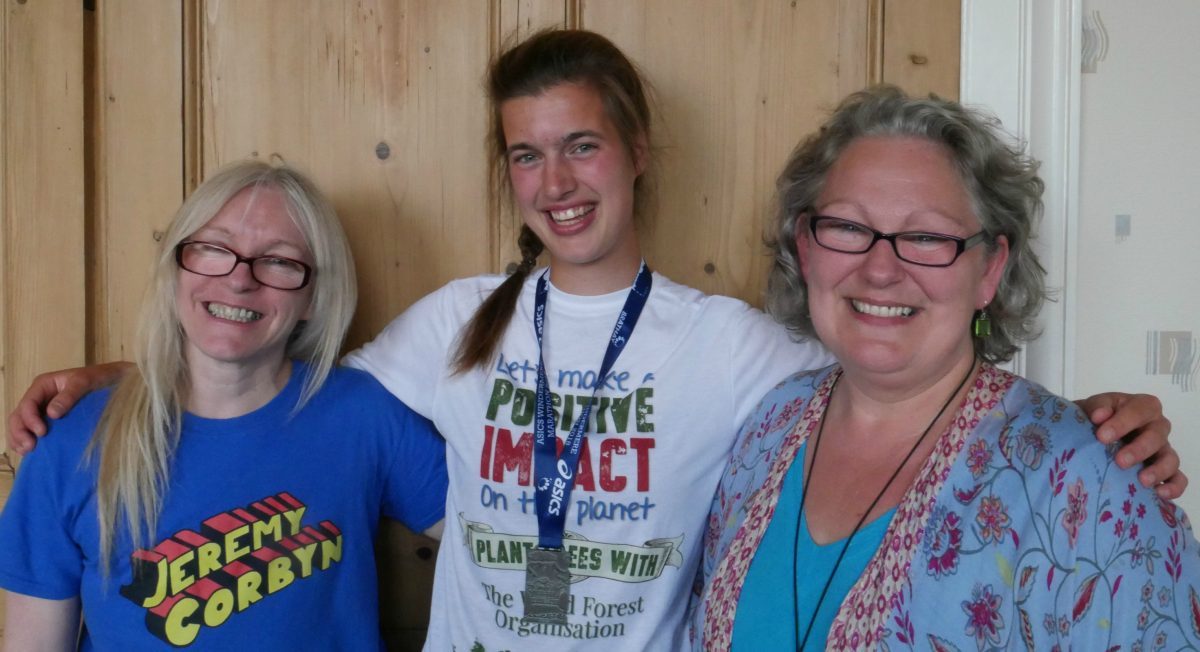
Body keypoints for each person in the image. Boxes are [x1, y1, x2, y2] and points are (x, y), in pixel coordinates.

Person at [2, 31, 1181, 651]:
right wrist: (130, 372)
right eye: (526, 153)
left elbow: (907, 363)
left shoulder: (734, 352)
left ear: (636, 152)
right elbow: (265, 377)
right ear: (506, 175)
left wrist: (1088, 423)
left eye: (582, 146)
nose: (557, 181)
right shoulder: (452, 325)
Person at [694, 86, 1200, 650]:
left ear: (989, 271)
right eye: (847, 227)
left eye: (928, 236)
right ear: (806, 249)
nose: (880, 269)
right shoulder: (770, 424)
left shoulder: (1090, 486)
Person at [0, 161, 447, 650]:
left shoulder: (363, 416)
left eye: (278, 260)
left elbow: (505, 535)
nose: (240, 280)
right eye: (214, 249)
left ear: (315, 296)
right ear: (175, 268)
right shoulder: (68, 440)